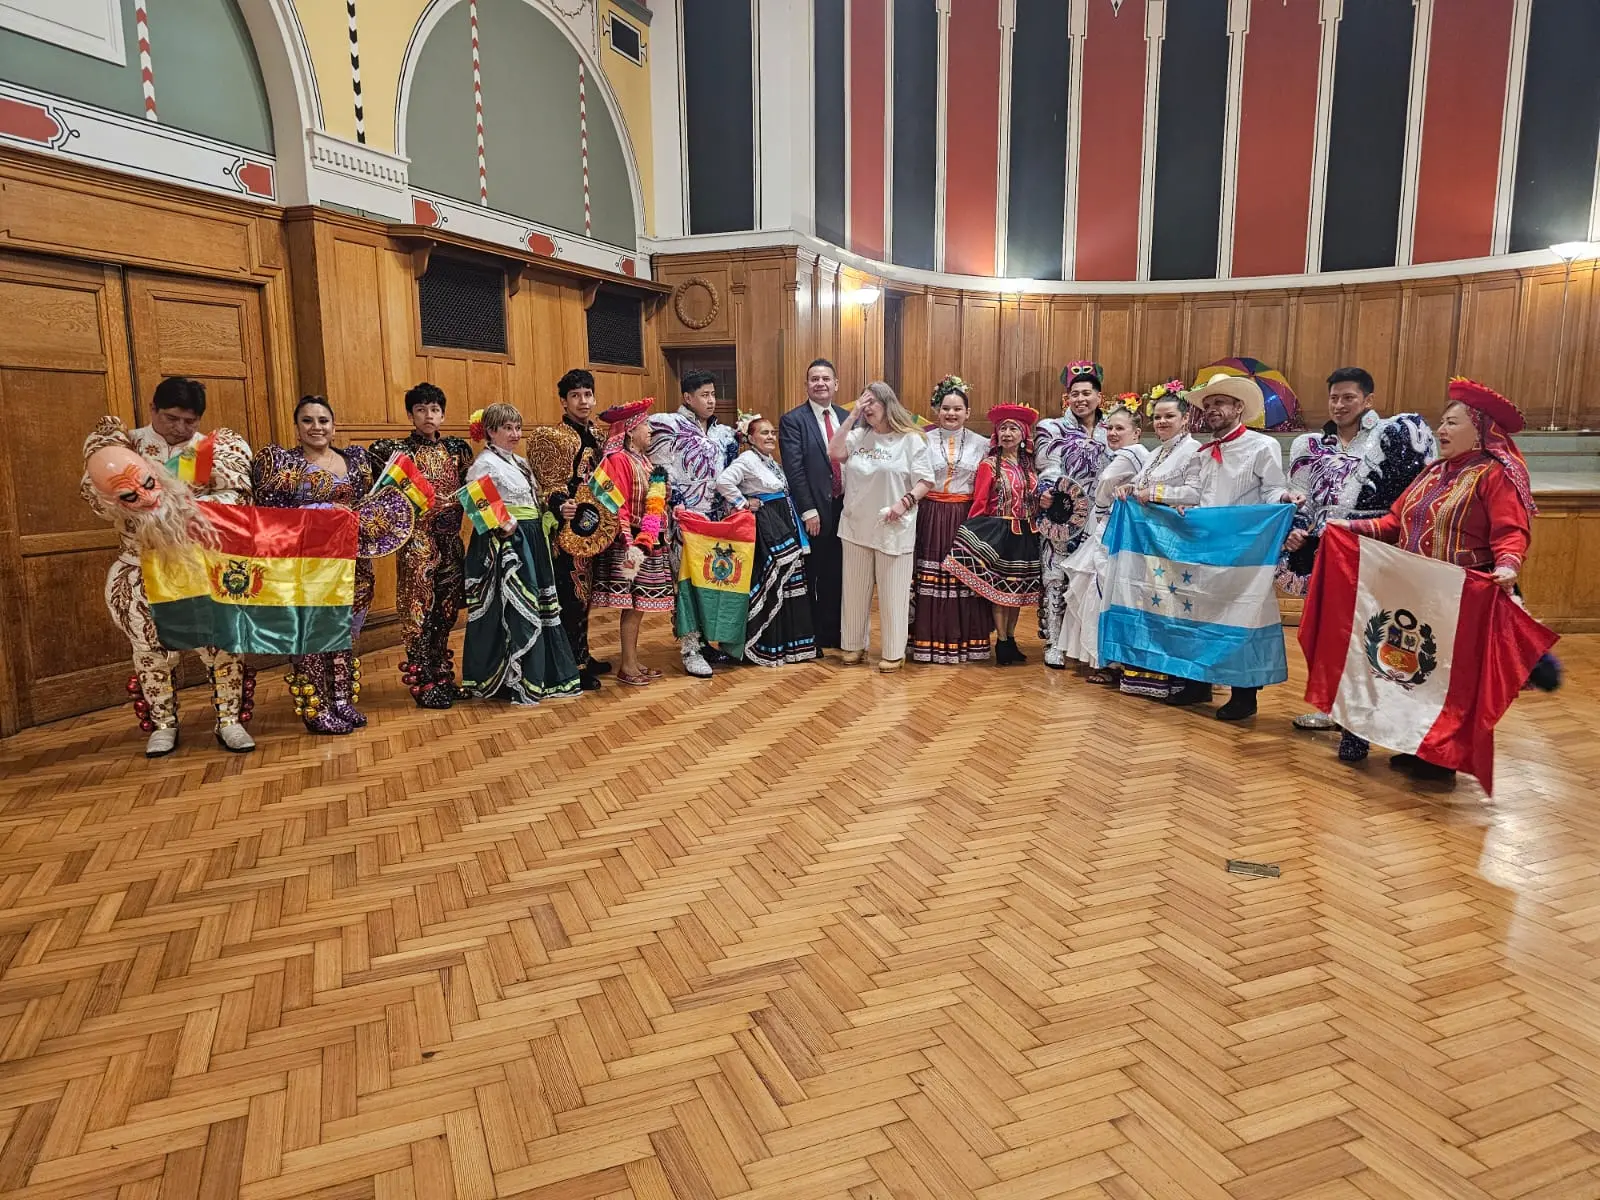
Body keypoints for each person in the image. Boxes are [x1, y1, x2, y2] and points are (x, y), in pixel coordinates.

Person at [1328, 378, 1550, 775]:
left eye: (1452, 423)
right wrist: (1348, 528)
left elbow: (1511, 531)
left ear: (1480, 430)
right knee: (1419, 673)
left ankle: (1443, 756)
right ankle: (1421, 745)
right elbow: (1396, 521)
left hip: (1462, 595)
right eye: (1441, 423)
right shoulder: (1433, 473)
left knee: (1454, 680)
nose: (1441, 431)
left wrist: (1508, 565)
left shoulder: (1494, 474)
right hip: (1419, 593)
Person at [82, 398, 257, 757]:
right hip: (142, 568)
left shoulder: (209, 448)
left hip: (200, 566)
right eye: (171, 418)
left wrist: (187, 502)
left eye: (188, 420)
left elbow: (239, 498)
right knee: (150, 652)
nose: (180, 427)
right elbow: (97, 499)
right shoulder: (124, 446)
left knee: (222, 645)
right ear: (153, 410)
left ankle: (229, 720)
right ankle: (163, 724)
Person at [1281, 367, 1438, 731]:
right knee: (1327, 631)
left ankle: (1375, 711)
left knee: (1373, 630)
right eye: (1334, 397)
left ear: (1368, 400)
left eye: (1348, 397)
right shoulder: (1312, 445)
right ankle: (1334, 707)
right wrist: (1297, 531)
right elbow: (1299, 499)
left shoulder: (1392, 438)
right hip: (1326, 552)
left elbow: (1411, 496)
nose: (1339, 405)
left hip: (1375, 550)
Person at [1141, 372, 1296, 721]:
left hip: (1242, 549)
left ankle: (1245, 693)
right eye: (1208, 405)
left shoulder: (1261, 446)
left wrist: (1286, 496)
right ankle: (1198, 682)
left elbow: (1272, 490)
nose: (1211, 410)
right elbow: (1195, 493)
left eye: (1219, 404)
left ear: (1238, 407)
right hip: (1202, 544)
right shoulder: (1203, 451)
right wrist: (1157, 495)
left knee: (1242, 615)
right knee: (1198, 611)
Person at [253, 396, 401, 733]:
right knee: (312, 639)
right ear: (297, 427)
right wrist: (319, 516)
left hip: (352, 566)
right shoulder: (282, 465)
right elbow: (270, 518)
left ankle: (342, 701)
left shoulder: (356, 461)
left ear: (333, 426)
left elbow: (371, 503)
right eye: (308, 420)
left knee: (345, 635)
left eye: (323, 420)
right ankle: (316, 708)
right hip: (306, 567)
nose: (316, 427)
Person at [459, 404, 582, 704]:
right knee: (513, 607)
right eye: (508, 429)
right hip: (509, 543)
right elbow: (474, 502)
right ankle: (513, 677)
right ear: (490, 431)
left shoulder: (520, 462)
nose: (515, 434)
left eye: (517, 428)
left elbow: (533, 500)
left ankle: (543, 672)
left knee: (540, 605)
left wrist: (552, 511)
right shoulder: (485, 464)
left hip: (532, 537)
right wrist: (504, 527)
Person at [371, 383, 474, 709]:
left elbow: (472, 489)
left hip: (451, 540)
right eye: (421, 409)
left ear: (442, 414)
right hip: (418, 540)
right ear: (411, 414)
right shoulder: (397, 452)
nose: (428, 416)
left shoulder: (457, 450)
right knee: (419, 611)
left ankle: (442, 673)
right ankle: (423, 679)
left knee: (446, 611)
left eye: (434, 410)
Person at [831, 381, 935, 671]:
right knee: (853, 592)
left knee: (893, 595)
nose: (867, 407)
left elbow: (925, 480)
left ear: (888, 404)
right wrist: (851, 417)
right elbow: (834, 451)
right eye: (863, 402)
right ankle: (853, 646)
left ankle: (893, 651)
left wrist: (904, 503)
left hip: (894, 526)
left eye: (872, 401)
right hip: (855, 527)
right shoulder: (858, 436)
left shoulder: (911, 440)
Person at [1053, 395, 1152, 681]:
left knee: (1100, 590)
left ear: (1136, 431)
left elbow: (1106, 484)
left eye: (1120, 428)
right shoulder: (1139, 455)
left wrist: (1101, 503)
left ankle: (1106, 660)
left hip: (1111, 530)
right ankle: (1108, 658)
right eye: (1109, 428)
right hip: (1113, 528)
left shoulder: (1129, 455)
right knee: (1099, 589)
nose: (1112, 433)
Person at [651, 370, 739, 677]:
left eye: (713, 394)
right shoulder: (668, 425)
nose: (711, 400)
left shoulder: (723, 433)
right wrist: (674, 508)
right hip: (684, 519)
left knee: (713, 582)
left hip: (716, 520)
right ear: (687, 398)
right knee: (687, 585)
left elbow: (729, 475)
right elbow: (659, 472)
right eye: (704, 395)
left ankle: (705, 642)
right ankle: (689, 648)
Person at [1117, 383, 1201, 701]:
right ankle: (1149, 677)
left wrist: (1154, 494)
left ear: (1185, 419)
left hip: (1175, 542)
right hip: (1151, 543)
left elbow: (1195, 494)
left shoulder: (1192, 451)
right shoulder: (1157, 452)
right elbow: (1138, 484)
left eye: (1169, 417)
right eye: (1157, 417)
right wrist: (1126, 488)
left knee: (1174, 609)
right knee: (1150, 607)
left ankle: (1180, 680)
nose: (1162, 422)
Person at [525, 369, 609, 690]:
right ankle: (570, 663)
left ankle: (584, 654)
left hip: (594, 525)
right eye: (576, 395)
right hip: (567, 529)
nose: (583, 401)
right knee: (571, 596)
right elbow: (548, 485)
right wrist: (562, 504)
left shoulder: (599, 436)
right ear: (563, 401)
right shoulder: (552, 437)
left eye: (587, 394)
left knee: (586, 596)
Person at [714, 414, 817, 665]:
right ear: (750, 438)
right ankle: (765, 644)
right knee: (772, 581)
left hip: (783, 523)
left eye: (773, 433)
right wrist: (744, 503)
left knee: (789, 582)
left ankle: (791, 646)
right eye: (764, 433)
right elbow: (723, 481)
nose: (770, 437)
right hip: (767, 527)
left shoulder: (770, 460)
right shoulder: (747, 458)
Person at [943, 404, 1043, 665]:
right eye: (1003, 429)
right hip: (1001, 533)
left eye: (1013, 429)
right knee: (1001, 590)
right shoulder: (989, 465)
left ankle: (1011, 638)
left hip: (1026, 534)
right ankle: (1001, 641)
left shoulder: (1029, 466)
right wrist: (973, 535)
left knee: (1018, 592)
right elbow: (980, 502)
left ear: (1023, 435)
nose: (1008, 433)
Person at [909, 376, 992, 664]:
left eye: (958, 409)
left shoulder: (983, 445)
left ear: (968, 413)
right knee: (929, 577)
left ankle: (966, 641)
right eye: (946, 408)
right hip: (930, 514)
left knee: (962, 577)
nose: (951, 414)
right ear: (937, 410)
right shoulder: (921, 439)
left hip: (965, 516)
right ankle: (925, 641)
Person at [590, 399, 673, 686]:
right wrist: (631, 544)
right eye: (645, 425)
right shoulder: (619, 460)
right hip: (632, 542)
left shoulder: (643, 459)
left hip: (648, 538)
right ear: (629, 431)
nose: (650, 430)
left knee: (639, 607)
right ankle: (627, 665)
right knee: (634, 605)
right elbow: (617, 505)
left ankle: (633, 660)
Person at [1037, 361, 1111, 667]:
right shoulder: (1052, 427)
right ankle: (1054, 642)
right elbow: (1047, 465)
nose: (1081, 399)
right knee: (1056, 576)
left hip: (1104, 516)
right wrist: (1054, 491)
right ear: (1067, 398)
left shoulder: (1112, 429)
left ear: (1099, 397)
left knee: (1095, 578)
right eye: (1075, 394)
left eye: (1087, 393)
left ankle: (1086, 645)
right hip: (1063, 512)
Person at [779, 360, 849, 652]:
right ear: (806, 385)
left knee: (838, 573)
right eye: (814, 379)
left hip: (846, 508)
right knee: (813, 573)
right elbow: (794, 470)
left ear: (836, 384)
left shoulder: (847, 417)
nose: (820, 383)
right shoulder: (794, 420)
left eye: (825, 379)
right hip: (815, 512)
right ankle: (811, 637)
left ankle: (834, 632)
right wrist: (808, 511)